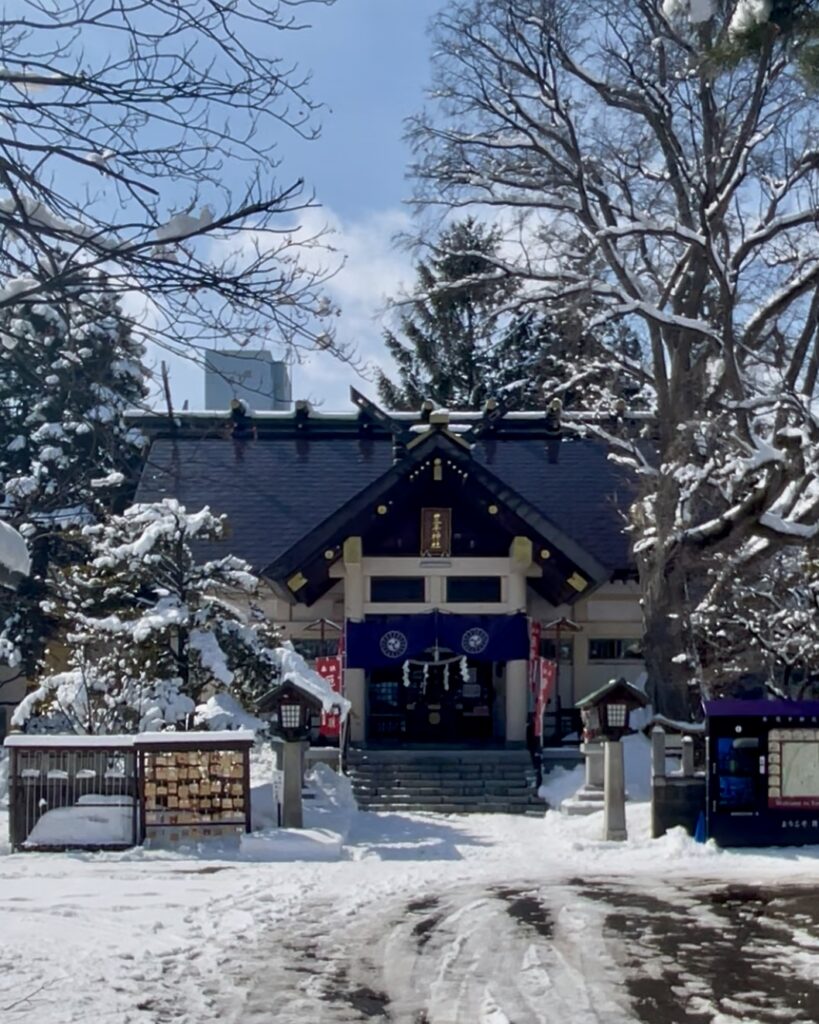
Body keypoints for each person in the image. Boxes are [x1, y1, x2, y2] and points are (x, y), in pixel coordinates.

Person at [525, 712, 543, 789]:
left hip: (535, 748)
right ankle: (536, 782)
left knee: (537, 767)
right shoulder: (530, 727)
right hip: (533, 748)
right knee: (535, 766)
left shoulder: (537, 727)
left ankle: (538, 782)